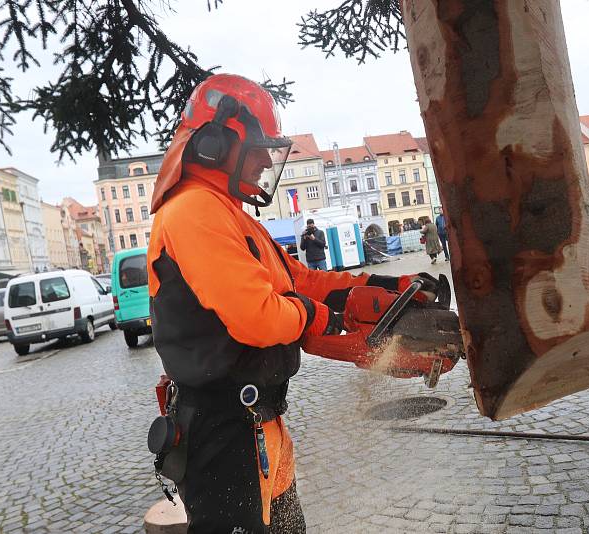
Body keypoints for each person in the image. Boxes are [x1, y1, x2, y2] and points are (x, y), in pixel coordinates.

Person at [146, 73, 441, 533]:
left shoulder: (231, 214)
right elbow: (259, 318)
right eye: (259, 146)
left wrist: (381, 288)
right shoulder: (193, 212)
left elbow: (298, 279)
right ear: (217, 144)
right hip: (224, 428)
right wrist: (331, 319)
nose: (266, 158)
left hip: (259, 423)